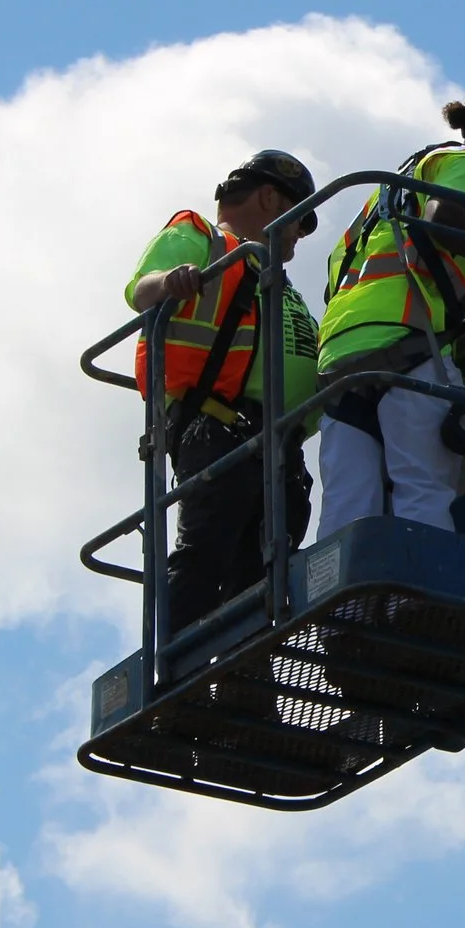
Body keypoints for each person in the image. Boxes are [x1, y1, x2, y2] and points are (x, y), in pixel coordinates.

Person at [316, 67, 465, 539]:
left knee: (350, 501)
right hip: (407, 343)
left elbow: (337, 268)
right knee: (423, 486)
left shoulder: (386, 194)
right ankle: (414, 602)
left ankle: (339, 605)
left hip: (341, 352)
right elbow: (442, 218)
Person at [125, 149, 323, 630]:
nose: (299, 233)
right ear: (270, 198)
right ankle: (172, 671)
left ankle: (243, 679)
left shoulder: (275, 278)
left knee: (261, 570)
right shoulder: (206, 240)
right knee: (206, 552)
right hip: (217, 427)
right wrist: (169, 283)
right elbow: (141, 289)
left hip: (277, 444)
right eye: (300, 218)